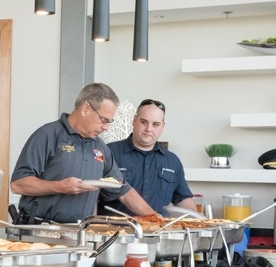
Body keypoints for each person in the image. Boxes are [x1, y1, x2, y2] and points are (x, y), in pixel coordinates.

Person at [10, 83, 156, 224]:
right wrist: (60, 187)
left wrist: (158, 220)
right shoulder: (47, 135)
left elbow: (122, 189)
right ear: (86, 108)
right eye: (103, 120)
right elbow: (18, 184)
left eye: (109, 122)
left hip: (80, 233)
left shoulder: (100, 147)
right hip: (39, 231)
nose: (106, 128)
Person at [100, 99, 196, 216]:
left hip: (158, 231)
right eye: (144, 122)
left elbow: (183, 198)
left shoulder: (172, 161)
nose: (149, 129)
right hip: (115, 231)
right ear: (134, 121)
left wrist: (199, 220)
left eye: (155, 124)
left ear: (163, 126)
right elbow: (93, 195)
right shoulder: (109, 152)